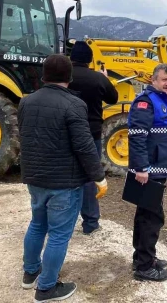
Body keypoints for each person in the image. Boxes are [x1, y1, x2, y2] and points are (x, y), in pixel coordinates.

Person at [18, 54, 108, 302]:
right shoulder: (74, 105)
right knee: (58, 234)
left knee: (37, 224)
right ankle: (46, 288)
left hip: (35, 179)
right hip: (63, 184)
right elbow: (84, 145)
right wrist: (99, 177)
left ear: (44, 76)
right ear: (69, 77)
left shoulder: (26, 102)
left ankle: (30, 273)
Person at [128, 63, 167, 282]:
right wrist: (141, 168)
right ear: (153, 81)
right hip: (149, 172)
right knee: (152, 218)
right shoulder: (146, 102)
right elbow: (137, 136)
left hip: (156, 170)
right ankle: (144, 267)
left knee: (145, 215)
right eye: (164, 80)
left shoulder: (162, 101)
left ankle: (143, 257)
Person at [67, 40, 119, 235]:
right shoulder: (97, 78)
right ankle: (90, 222)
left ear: (71, 59)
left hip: (67, 132)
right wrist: (104, 78)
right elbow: (113, 98)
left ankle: (64, 222)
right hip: (91, 133)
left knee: (66, 176)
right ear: (90, 60)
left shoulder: (63, 77)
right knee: (90, 176)